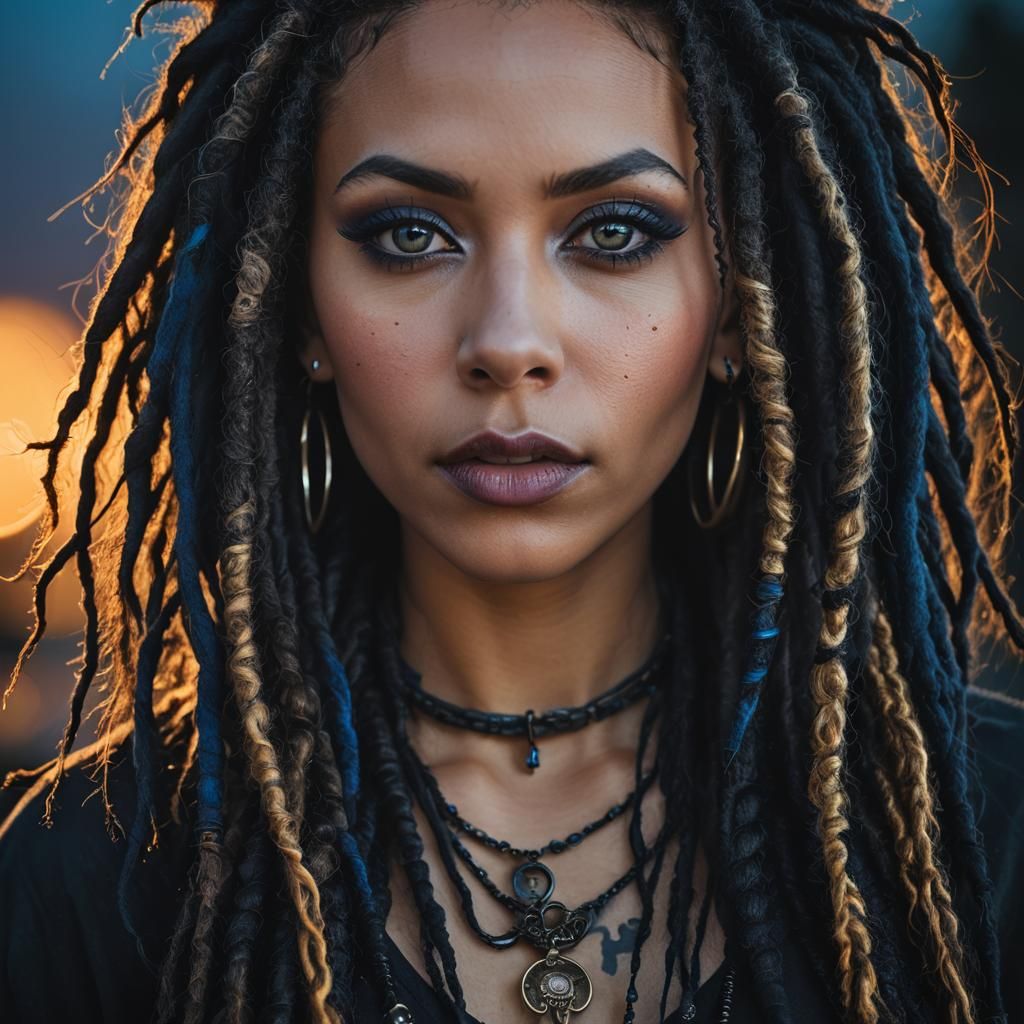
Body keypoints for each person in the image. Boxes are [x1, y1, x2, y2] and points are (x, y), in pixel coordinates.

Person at [1, 0, 1022, 1021]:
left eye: (613, 232)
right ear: (298, 304)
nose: (508, 340)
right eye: (410, 234)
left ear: (739, 305)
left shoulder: (988, 828)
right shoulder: (88, 879)